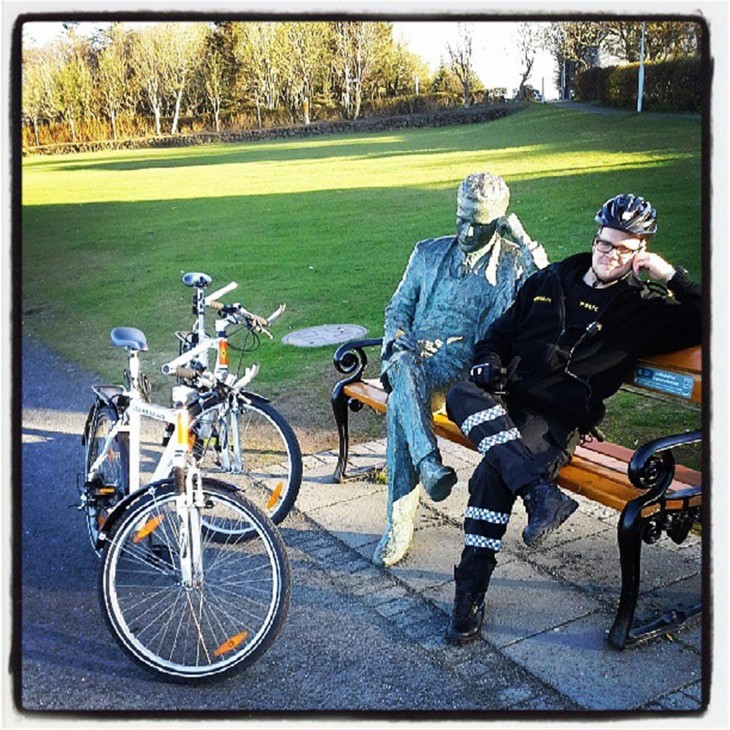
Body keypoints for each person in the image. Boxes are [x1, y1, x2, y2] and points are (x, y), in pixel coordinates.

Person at [443, 193, 702, 644]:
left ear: (640, 251)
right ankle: (540, 492)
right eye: (605, 243)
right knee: (461, 395)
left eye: (624, 248)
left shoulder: (644, 309)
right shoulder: (552, 278)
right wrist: (487, 358)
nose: (610, 254)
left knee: (491, 475)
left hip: (554, 420)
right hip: (504, 401)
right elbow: (499, 332)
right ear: (595, 237)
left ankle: (469, 592)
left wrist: (671, 276)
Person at [374, 171, 548, 567]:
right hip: (412, 357)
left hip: (463, 374)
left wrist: (524, 243)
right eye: (462, 217)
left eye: (480, 222)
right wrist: (402, 340)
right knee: (404, 371)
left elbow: (547, 296)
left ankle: (399, 524)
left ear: (500, 220)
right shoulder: (427, 253)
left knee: (403, 398)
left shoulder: (513, 264)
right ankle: (429, 465)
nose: (467, 230)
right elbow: (398, 308)